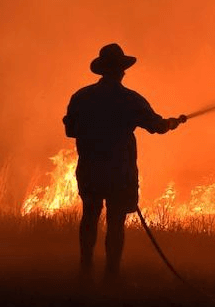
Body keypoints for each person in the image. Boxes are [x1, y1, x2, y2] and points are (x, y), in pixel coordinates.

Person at [63, 43, 186, 282]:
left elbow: (71, 130)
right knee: (116, 221)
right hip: (119, 171)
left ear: (101, 70)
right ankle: (111, 274)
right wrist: (172, 123)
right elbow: (157, 126)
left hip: (90, 168)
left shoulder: (81, 97)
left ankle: (85, 269)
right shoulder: (129, 99)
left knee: (89, 216)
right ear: (120, 71)